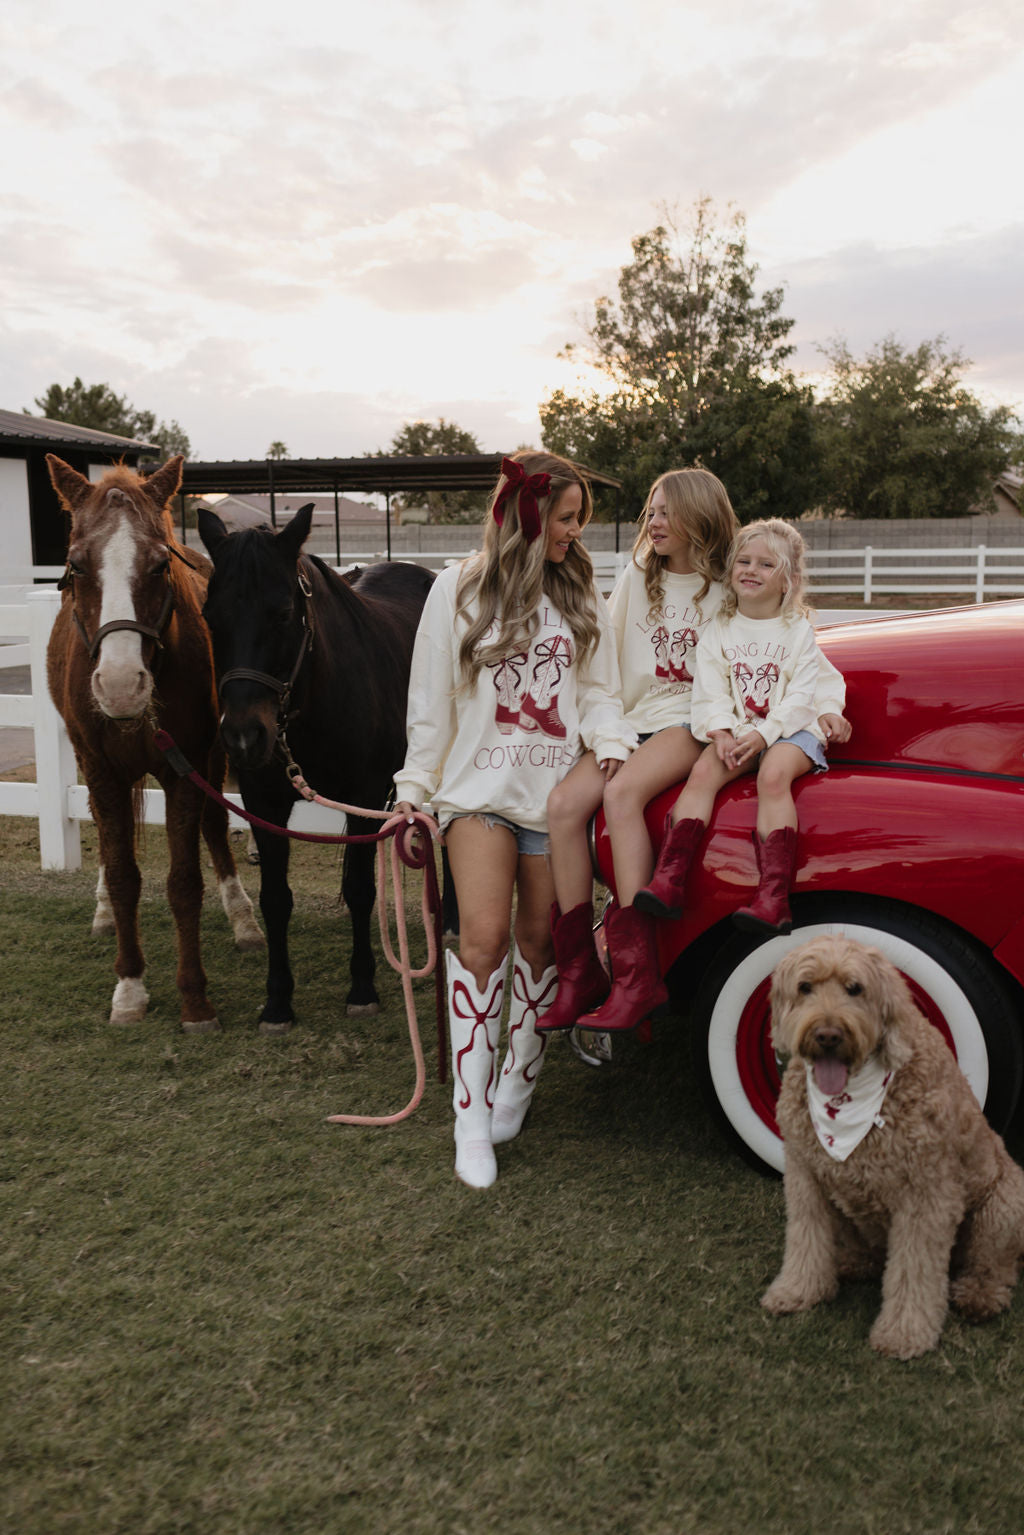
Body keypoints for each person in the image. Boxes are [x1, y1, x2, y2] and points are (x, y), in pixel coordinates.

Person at [394, 451, 634, 1189]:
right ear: (528, 513)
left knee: (540, 945)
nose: (573, 532)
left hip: (552, 796)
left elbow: (596, 688)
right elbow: (431, 701)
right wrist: (413, 788)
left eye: (578, 520)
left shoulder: (577, 589)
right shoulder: (456, 590)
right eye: (565, 517)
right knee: (484, 940)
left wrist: (613, 744)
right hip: (475, 795)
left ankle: (517, 1085)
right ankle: (471, 1117)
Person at [540, 468, 739, 1036]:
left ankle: (637, 976)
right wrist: (604, 729)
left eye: (665, 512)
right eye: (650, 510)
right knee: (563, 806)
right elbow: (604, 647)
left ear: (699, 516)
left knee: (623, 793)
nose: (653, 521)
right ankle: (580, 970)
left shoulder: (728, 587)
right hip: (631, 719)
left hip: (688, 719)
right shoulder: (638, 575)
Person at [633, 516, 847, 943]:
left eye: (767, 565)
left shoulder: (797, 632)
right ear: (731, 571)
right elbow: (709, 693)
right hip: (741, 731)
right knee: (702, 773)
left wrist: (766, 736)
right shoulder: (718, 631)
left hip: (790, 731)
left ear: (788, 580)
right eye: (744, 561)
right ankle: (670, 878)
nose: (752, 570)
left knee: (772, 776)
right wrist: (722, 733)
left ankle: (773, 898)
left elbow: (802, 696)